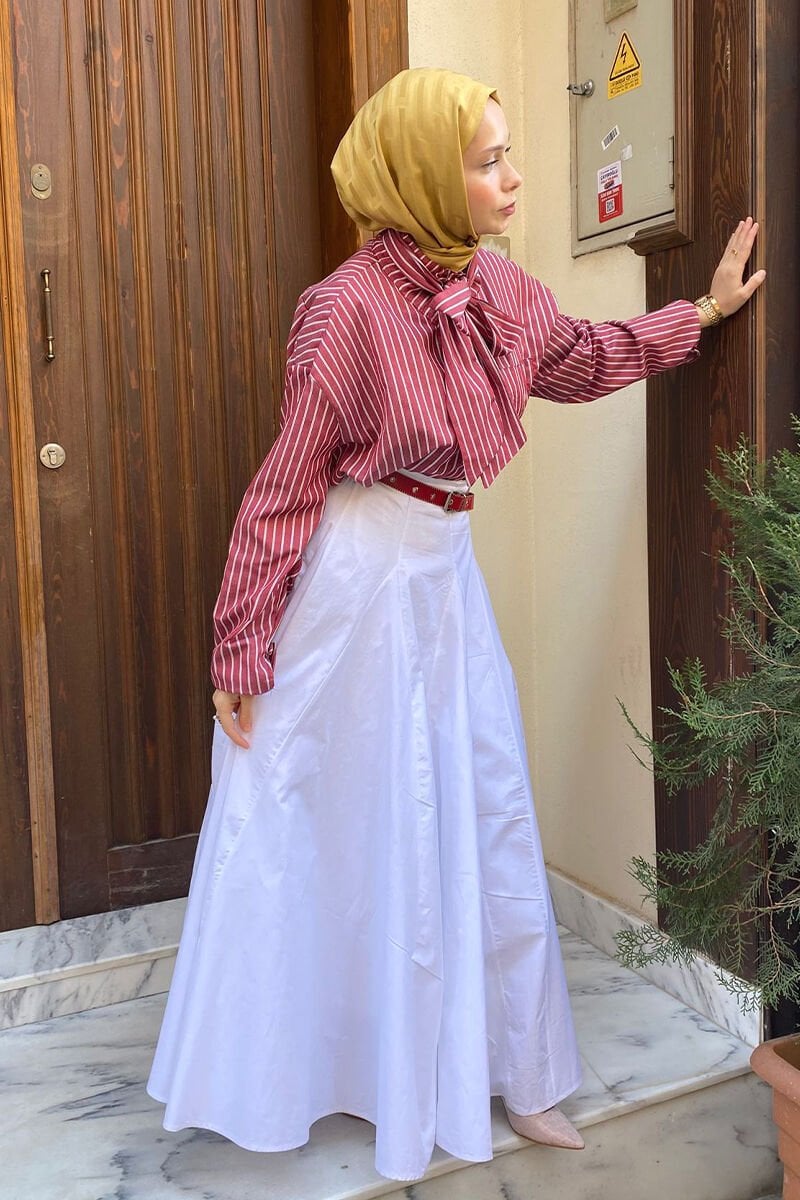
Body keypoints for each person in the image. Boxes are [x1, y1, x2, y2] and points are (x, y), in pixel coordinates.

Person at [147, 68, 765, 1182]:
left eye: (507, 153)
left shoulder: (499, 289)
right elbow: (285, 488)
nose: (512, 177)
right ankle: (317, 1070)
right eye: (487, 161)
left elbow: (583, 356)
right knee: (341, 821)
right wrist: (240, 644)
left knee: (482, 810)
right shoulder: (343, 311)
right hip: (358, 587)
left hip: (444, 578)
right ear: (426, 177)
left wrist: (705, 315)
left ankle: (514, 1070)